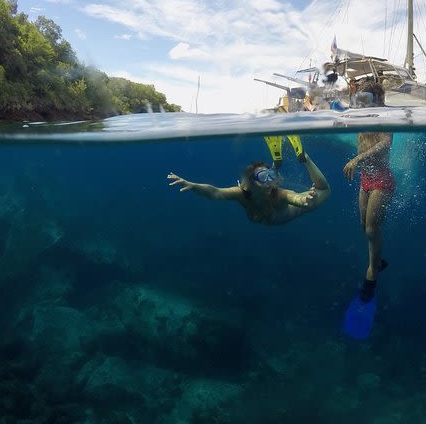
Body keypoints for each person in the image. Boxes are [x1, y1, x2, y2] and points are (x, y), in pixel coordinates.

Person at [342, 81, 394, 339]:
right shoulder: (359, 115)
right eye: (360, 97)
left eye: (367, 97)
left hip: (382, 180)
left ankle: (371, 281)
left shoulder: (385, 118)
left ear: (377, 99)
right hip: (365, 180)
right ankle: (379, 260)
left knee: (373, 229)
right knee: (364, 227)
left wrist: (357, 159)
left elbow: (384, 144)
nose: (362, 101)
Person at [167, 143, 330, 226]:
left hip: (289, 213)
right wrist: (193, 185)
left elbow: (294, 198)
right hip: (267, 217)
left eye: (271, 175)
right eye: (263, 176)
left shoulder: (279, 194)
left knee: (324, 191)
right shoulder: (241, 193)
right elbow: (215, 192)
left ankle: (306, 159)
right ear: (252, 181)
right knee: (319, 191)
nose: (269, 181)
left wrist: (305, 200)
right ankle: (303, 163)